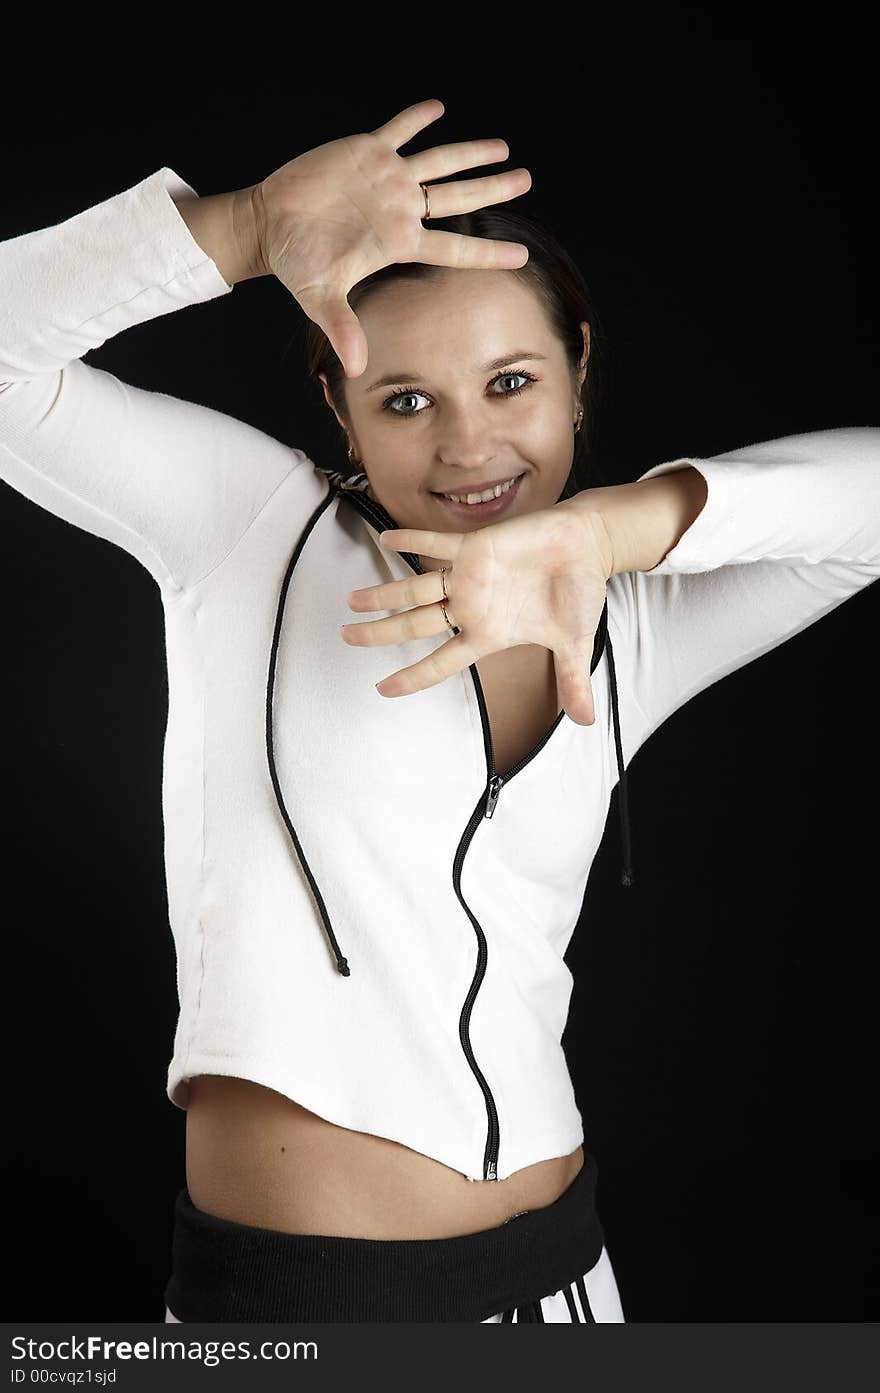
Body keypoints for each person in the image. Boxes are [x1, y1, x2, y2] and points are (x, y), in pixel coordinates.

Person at [1, 98, 876, 1325]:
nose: (470, 445)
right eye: (405, 399)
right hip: (307, 1309)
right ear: (341, 413)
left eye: (510, 381)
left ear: (580, 373)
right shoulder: (250, 532)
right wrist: (244, 229)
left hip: (571, 1286)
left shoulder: (631, 623)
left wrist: (611, 527)